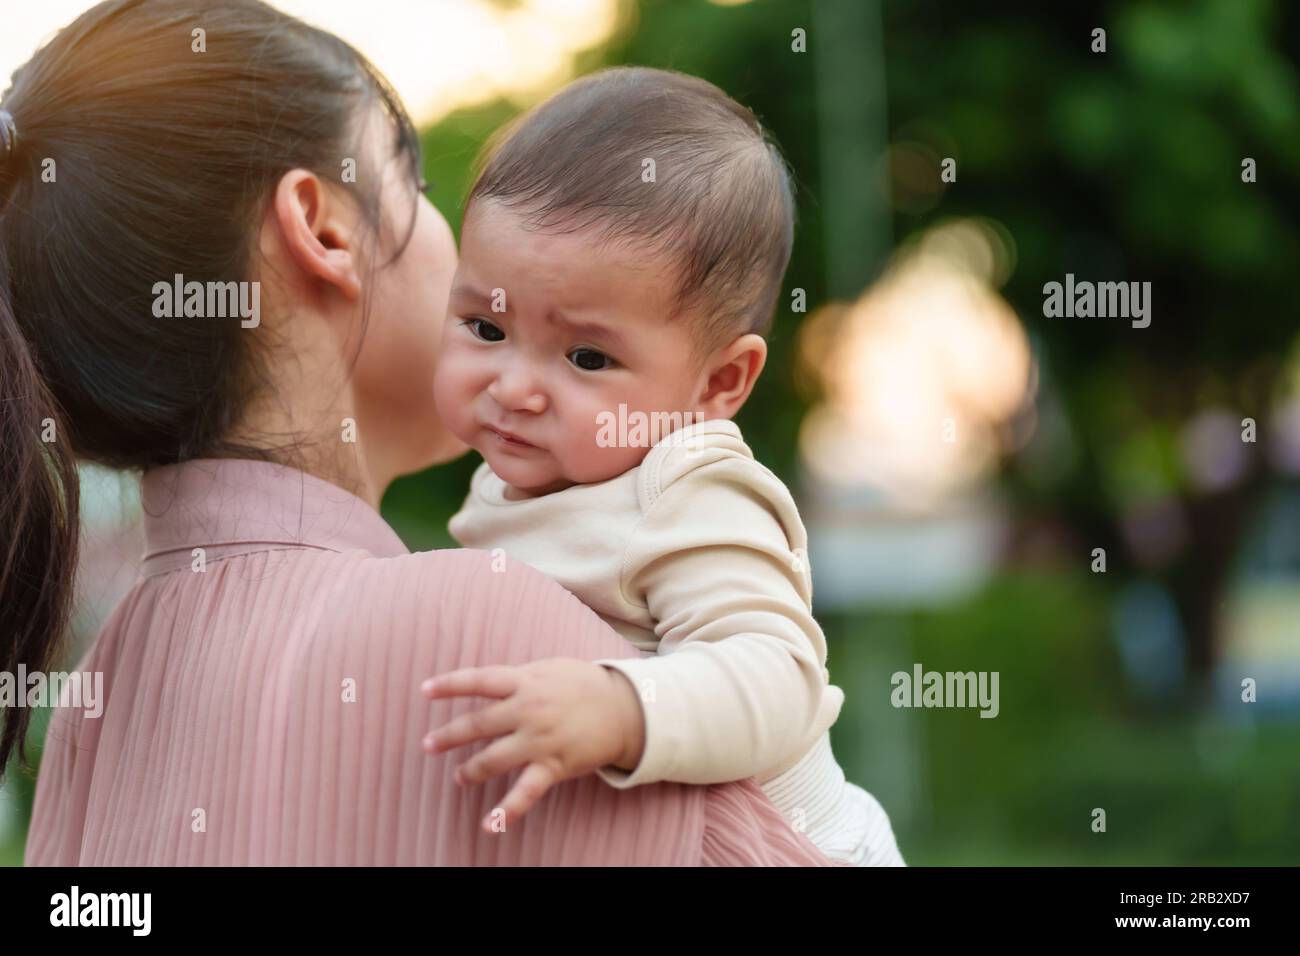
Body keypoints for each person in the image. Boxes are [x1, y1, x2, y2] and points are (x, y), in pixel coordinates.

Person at [2, 0, 832, 866]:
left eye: (585, 353)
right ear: (322, 231)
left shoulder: (103, 691)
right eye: (419, 186)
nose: (518, 378)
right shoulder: (484, 627)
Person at [424, 67, 904, 866]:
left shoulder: (686, 485)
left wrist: (621, 707)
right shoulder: (516, 483)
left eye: (585, 355)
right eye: (484, 327)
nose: (513, 386)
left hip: (795, 849)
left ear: (718, 384)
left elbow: (777, 677)